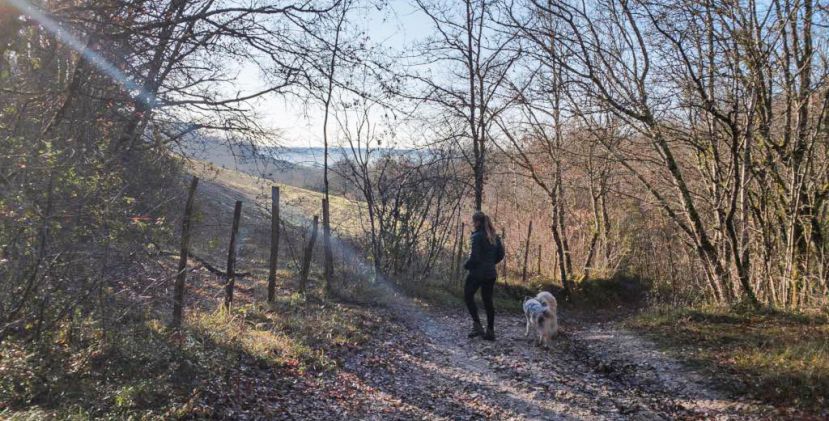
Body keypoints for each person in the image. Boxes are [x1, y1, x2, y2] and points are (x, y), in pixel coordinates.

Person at [463, 211, 505, 341]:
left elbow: (474, 257)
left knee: (468, 295)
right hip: (490, 274)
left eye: (473, 221)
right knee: (488, 301)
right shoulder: (494, 236)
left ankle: (477, 325)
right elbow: (501, 254)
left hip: (477, 273)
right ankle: (490, 331)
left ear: (478, 222)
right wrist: (491, 263)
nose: (472, 223)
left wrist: (466, 265)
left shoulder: (477, 237)